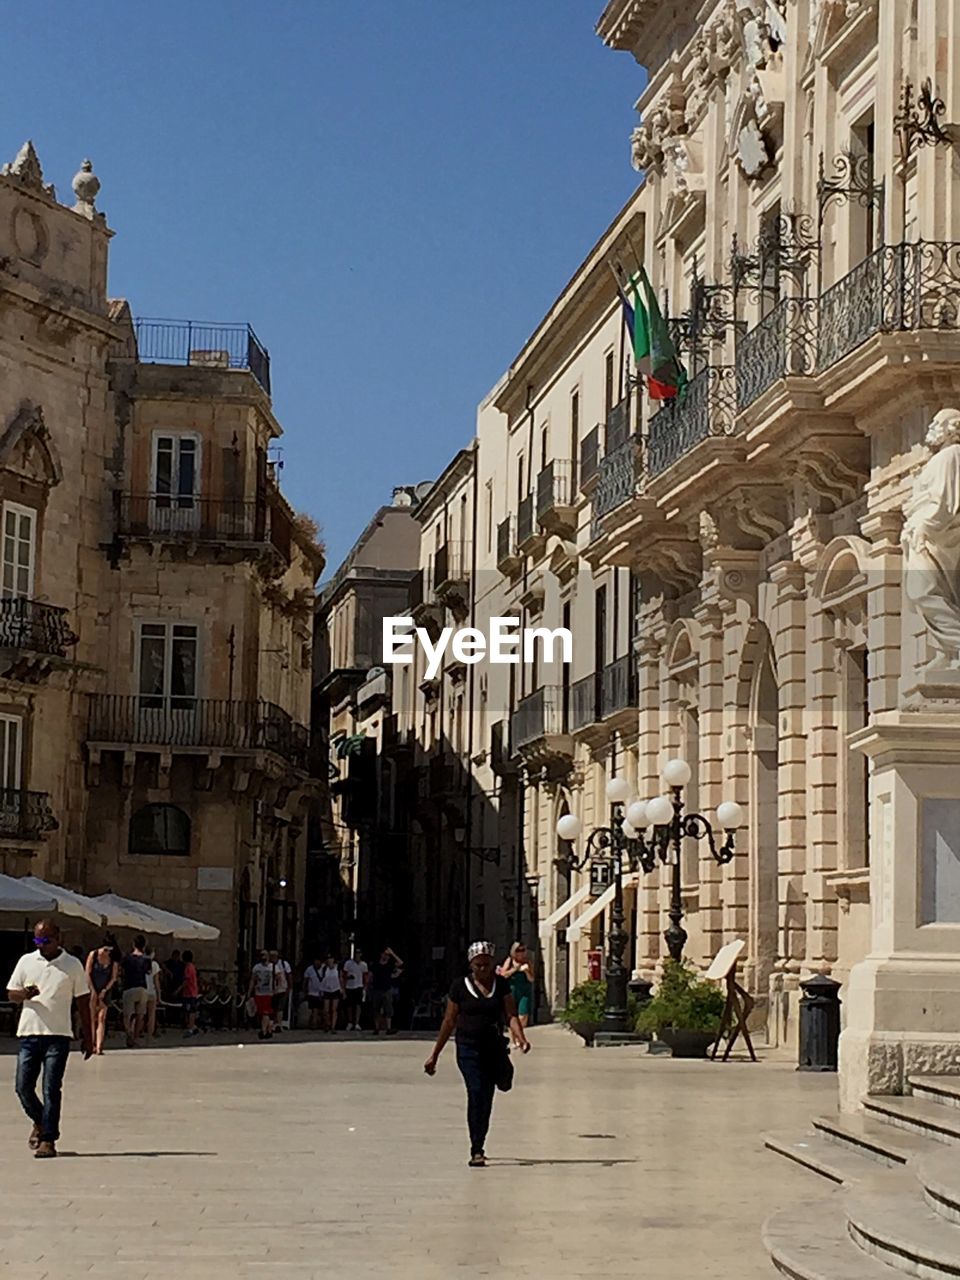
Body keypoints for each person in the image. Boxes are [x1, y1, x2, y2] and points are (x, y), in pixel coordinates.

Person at [424, 940, 530, 1167]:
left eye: (486, 964)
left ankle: (481, 1138)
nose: (482, 969)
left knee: (489, 1096)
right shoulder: (459, 987)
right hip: (468, 1048)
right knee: (476, 1091)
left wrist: (520, 1037)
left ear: (492, 963)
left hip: (493, 1047)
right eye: (478, 965)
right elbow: (449, 1020)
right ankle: (476, 1149)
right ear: (471, 965)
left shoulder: (500, 985)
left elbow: (510, 1014)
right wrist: (435, 1054)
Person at [7, 919, 94, 1158]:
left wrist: (89, 1035)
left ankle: (48, 1140)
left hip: (58, 1036)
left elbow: (83, 1002)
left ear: (59, 939)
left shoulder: (72, 965)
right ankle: (41, 1121)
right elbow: (11, 993)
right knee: (22, 1087)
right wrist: (24, 994)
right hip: (29, 1033)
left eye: (46, 940)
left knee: (51, 1088)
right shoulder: (26, 961)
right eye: (37, 940)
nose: (41, 945)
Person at [85, 940, 118, 1055]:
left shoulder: (113, 961)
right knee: (92, 1017)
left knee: (101, 1018)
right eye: (105, 950)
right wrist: (93, 990)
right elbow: (87, 973)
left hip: (105, 990)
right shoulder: (93, 955)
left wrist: (104, 990)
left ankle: (99, 1046)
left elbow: (113, 978)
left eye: (109, 951)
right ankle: (92, 1043)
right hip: (92, 989)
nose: (107, 953)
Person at [499, 941, 535, 1047]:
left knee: (523, 1016)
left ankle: (519, 1035)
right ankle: (514, 1039)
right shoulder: (510, 961)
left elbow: (532, 979)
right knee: (512, 1015)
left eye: (523, 950)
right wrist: (514, 969)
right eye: (519, 950)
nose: (521, 953)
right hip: (512, 990)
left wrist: (526, 971)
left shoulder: (527, 962)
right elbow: (503, 975)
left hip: (524, 991)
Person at [121, 935, 151, 1048]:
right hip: (142, 988)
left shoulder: (127, 958)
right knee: (140, 1015)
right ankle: (136, 1037)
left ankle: (129, 1032)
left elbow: (121, 969)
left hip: (129, 987)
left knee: (127, 1015)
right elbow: (148, 972)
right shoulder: (146, 959)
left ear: (133, 944)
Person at [370, 946, 402, 1035]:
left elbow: (400, 963)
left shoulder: (390, 965)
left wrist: (392, 953)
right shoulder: (375, 965)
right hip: (376, 989)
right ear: (381, 955)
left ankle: (388, 1028)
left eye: (388, 955)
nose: (386, 956)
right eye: (385, 954)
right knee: (376, 1009)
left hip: (387, 989)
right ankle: (376, 1028)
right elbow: (370, 976)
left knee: (388, 1010)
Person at [248, 949, 276, 1039]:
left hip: (269, 993)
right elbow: (253, 980)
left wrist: (277, 990)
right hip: (259, 993)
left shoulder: (273, 967)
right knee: (262, 1013)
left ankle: (264, 1031)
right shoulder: (256, 968)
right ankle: (268, 1030)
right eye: (261, 955)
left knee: (266, 1013)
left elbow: (279, 979)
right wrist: (250, 991)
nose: (263, 957)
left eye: (264, 955)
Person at [342, 948, 369, 1032]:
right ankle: (350, 1022)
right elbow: (343, 976)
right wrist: (344, 988)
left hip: (359, 986)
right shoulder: (348, 964)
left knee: (358, 1005)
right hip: (349, 987)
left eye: (359, 954)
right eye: (356, 954)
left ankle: (357, 1023)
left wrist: (365, 988)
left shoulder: (364, 965)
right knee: (349, 1005)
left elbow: (365, 977)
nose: (357, 955)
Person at [317, 953, 344, 1032]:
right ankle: (327, 1023)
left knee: (334, 1009)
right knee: (326, 1010)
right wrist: (320, 990)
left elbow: (341, 979)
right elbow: (322, 980)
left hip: (336, 989)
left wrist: (343, 990)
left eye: (331, 959)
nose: (330, 960)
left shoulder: (337, 968)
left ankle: (333, 1027)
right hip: (326, 990)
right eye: (328, 959)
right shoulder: (324, 968)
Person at [269, 949, 291, 1032]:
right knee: (272, 1008)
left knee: (280, 1008)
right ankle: (272, 1025)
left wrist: (289, 987)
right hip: (270, 990)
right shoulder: (268, 965)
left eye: (274, 956)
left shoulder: (284, 964)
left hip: (282, 988)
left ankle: (279, 1024)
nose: (273, 958)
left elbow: (289, 975)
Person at [302, 955, 325, 1031]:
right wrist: (305, 991)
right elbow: (305, 980)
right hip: (312, 993)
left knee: (321, 1010)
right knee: (314, 1009)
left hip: (323, 992)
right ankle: (314, 1024)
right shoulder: (309, 969)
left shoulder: (325, 968)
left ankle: (317, 1023)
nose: (317, 963)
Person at [180, 950, 200, 1037]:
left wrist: (178, 990)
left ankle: (191, 1028)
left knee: (190, 1011)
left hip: (189, 993)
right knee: (191, 1010)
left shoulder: (188, 967)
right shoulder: (192, 967)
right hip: (193, 992)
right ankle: (193, 1027)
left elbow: (186, 981)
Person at [144, 946, 162, 1039]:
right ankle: (150, 1035)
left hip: (142, 990)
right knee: (151, 1015)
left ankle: (136, 1033)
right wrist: (159, 995)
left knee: (139, 1014)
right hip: (151, 991)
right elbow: (156, 981)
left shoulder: (140, 962)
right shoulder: (154, 965)